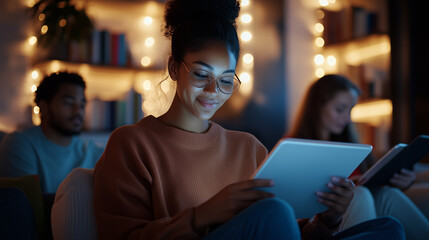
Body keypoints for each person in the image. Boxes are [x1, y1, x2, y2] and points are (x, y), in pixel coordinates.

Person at [93, 0, 404, 239]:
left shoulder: (249, 148)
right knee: (272, 210)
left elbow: (286, 232)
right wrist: (201, 216)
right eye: (202, 75)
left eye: (226, 80)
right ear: (175, 68)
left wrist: (329, 219)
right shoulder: (131, 144)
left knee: (388, 228)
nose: (213, 91)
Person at [287, 74, 429, 240]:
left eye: (350, 110)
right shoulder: (293, 148)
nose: (347, 118)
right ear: (317, 107)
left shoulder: (351, 145)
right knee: (361, 193)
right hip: (325, 217)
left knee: (388, 194)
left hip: (368, 201)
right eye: (340, 109)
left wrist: (401, 181)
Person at [0, 71, 104, 194]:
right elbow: (27, 206)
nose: (78, 111)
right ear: (44, 107)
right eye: (68, 103)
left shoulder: (92, 152)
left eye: (82, 105)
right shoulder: (19, 144)